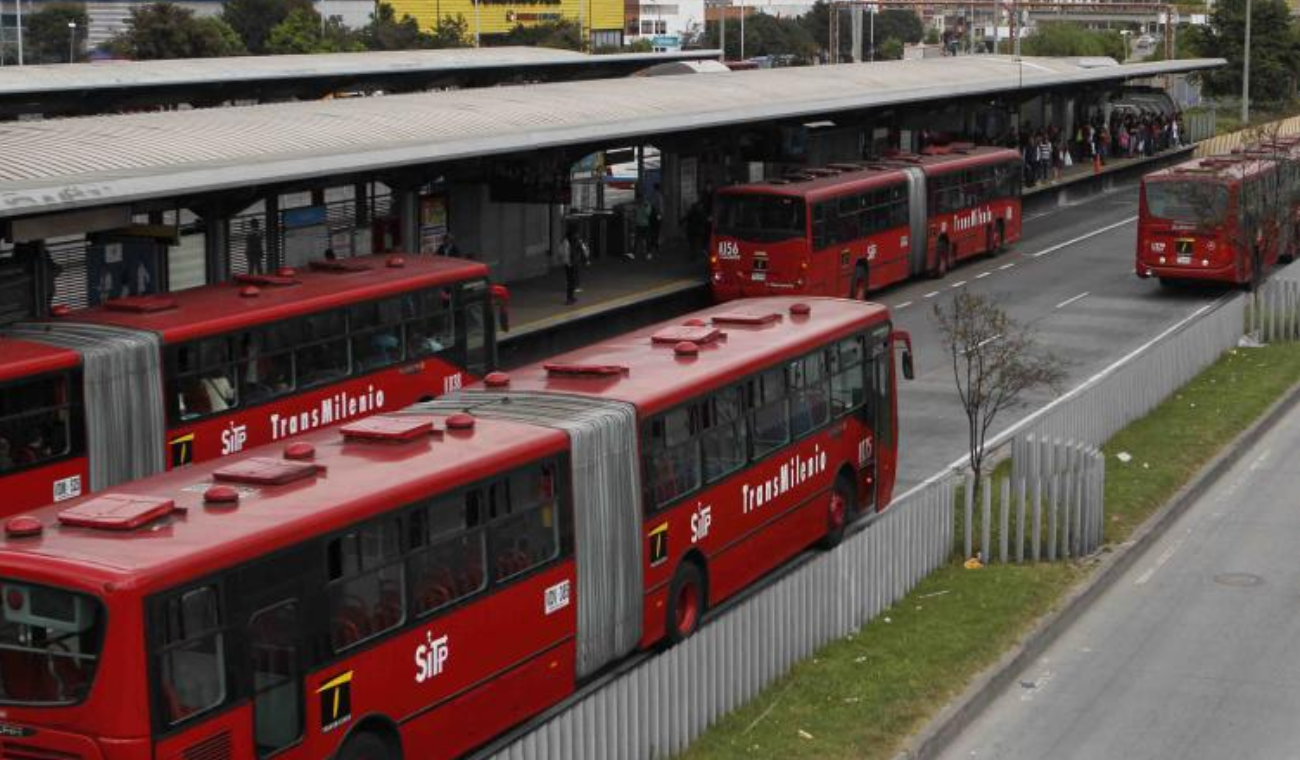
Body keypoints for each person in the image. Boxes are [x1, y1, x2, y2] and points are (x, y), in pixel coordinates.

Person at [557, 228, 578, 306]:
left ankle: (571, 297)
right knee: (570, 282)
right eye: (575, 234)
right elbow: (564, 253)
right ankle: (569, 299)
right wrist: (568, 262)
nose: (576, 235)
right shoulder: (566, 242)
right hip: (569, 264)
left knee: (572, 282)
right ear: (572, 234)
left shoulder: (570, 241)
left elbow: (560, 251)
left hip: (571, 263)